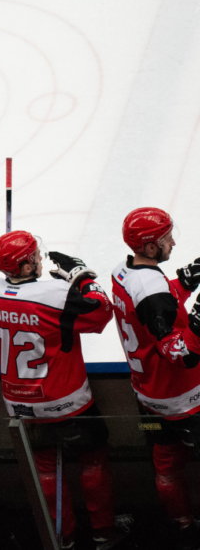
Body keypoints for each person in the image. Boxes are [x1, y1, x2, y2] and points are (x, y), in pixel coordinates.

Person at [0, 230, 125, 550]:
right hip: (68, 402)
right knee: (93, 462)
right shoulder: (56, 294)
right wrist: (82, 277)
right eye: (34, 257)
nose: (39, 259)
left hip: (21, 405)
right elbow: (101, 312)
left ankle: (63, 538)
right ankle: (104, 532)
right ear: (26, 267)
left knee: (45, 470)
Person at [109, 207, 200, 546]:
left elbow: (151, 309)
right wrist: (198, 323)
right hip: (188, 403)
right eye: (166, 239)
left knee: (166, 466)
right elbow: (181, 354)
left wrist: (184, 283)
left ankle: (184, 526)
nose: (173, 243)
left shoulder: (122, 272)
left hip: (150, 403)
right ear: (149, 247)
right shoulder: (150, 288)